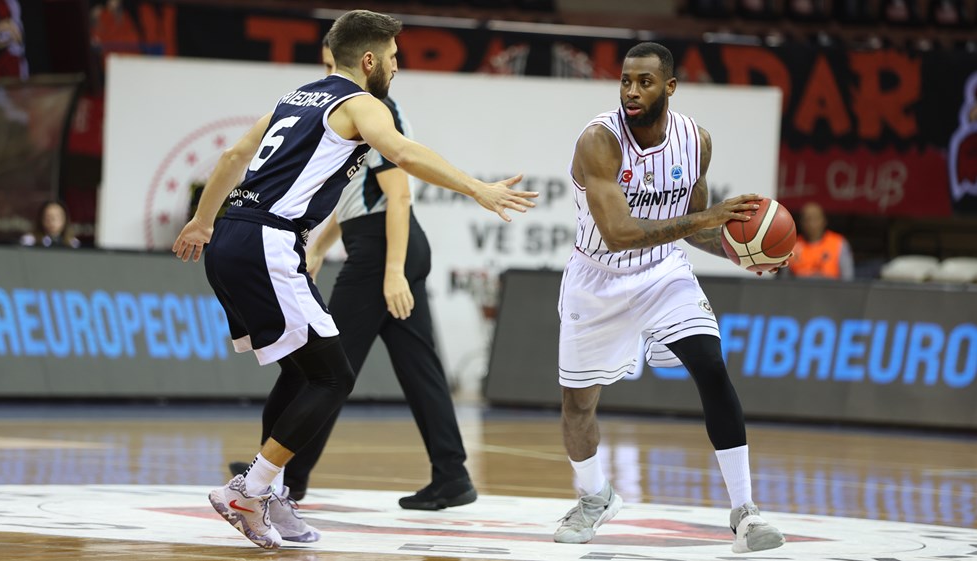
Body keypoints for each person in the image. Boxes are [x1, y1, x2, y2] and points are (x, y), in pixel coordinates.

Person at [172, 10, 536, 550]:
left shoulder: (293, 98)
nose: (397, 65)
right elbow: (405, 156)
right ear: (369, 61)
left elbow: (232, 156)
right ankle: (251, 490)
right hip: (271, 242)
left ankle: (274, 493)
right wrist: (477, 189)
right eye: (392, 57)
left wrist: (203, 221)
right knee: (333, 377)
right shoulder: (365, 104)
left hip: (231, 237)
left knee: (302, 371)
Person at [553, 42, 785, 553]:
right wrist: (704, 219)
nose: (632, 91)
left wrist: (746, 254)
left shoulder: (695, 141)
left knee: (710, 364)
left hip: (662, 274)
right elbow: (617, 233)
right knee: (577, 406)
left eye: (645, 82)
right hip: (598, 278)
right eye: (626, 81)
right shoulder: (599, 141)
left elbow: (697, 230)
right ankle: (595, 498)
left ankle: (745, 510)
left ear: (670, 87)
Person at [227, 39, 475, 511]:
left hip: (384, 249)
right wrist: (320, 246)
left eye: (330, 64)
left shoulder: (375, 108)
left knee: (320, 365)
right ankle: (452, 474)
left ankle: (284, 476)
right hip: (373, 243)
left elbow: (396, 196)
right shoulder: (338, 106)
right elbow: (351, 195)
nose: (327, 74)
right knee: (417, 367)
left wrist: (394, 271)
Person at [787, 202, 854, 280]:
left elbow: (848, 279)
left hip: (831, 290)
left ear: (824, 221)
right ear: (801, 223)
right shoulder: (793, 246)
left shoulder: (838, 243)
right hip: (800, 290)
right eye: (807, 219)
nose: (811, 224)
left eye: (816, 219)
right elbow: (785, 282)